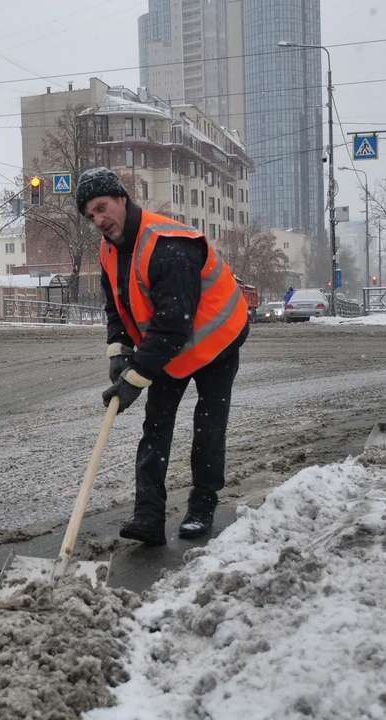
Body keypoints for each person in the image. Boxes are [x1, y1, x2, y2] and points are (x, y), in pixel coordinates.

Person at [77, 167, 249, 546]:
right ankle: (149, 515)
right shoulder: (108, 250)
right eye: (91, 216)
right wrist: (119, 353)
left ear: (123, 198)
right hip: (168, 346)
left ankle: (201, 506)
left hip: (216, 340)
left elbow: (174, 323)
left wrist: (137, 378)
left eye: (103, 208)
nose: (99, 220)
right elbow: (116, 307)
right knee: (156, 424)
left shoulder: (168, 244)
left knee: (208, 423)